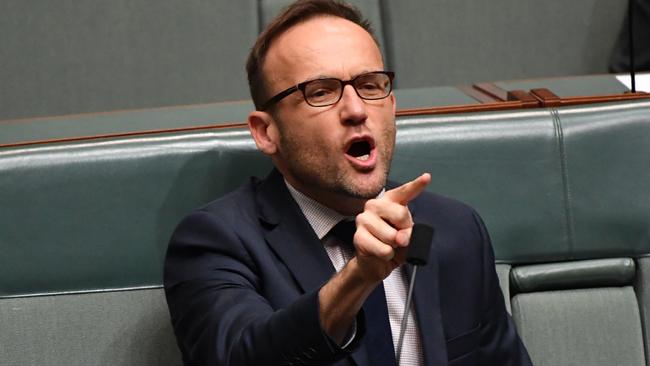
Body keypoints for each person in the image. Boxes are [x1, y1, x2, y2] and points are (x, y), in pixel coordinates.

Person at [164, 1, 532, 365]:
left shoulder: (455, 227)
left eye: (371, 85)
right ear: (266, 132)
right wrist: (359, 277)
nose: (356, 110)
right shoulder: (215, 241)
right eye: (320, 92)